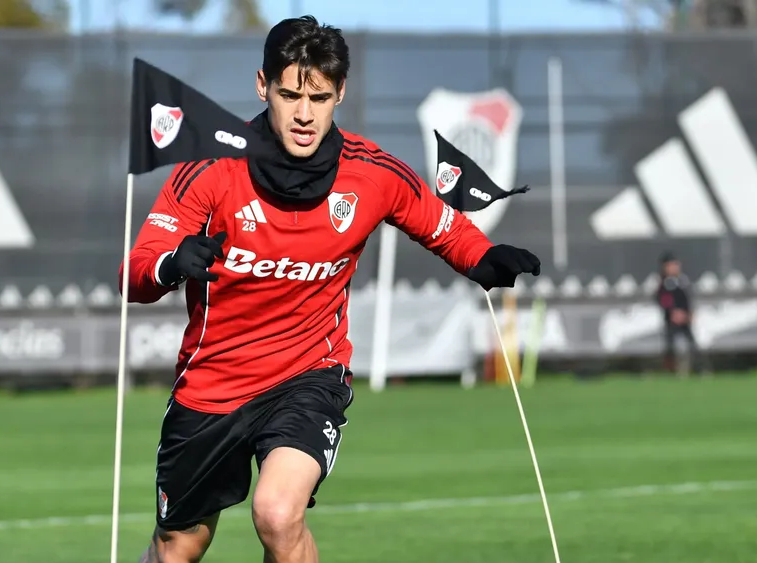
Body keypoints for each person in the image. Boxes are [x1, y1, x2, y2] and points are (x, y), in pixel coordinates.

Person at [120, 15, 541, 563]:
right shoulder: (211, 170)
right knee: (180, 546)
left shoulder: (372, 173)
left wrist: (483, 257)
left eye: (318, 97)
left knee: (277, 513)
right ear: (261, 85)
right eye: (289, 93)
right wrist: (172, 263)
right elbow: (137, 269)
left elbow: (439, 222)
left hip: (307, 377)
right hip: (213, 384)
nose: (302, 113)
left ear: (340, 92)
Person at [655, 251, 705, 376]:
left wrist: (689, 313)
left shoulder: (683, 280)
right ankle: (670, 371)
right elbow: (662, 299)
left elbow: (688, 298)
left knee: (692, 344)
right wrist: (673, 312)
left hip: (685, 319)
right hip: (671, 320)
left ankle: (699, 370)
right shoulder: (664, 282)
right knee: (670, 346)